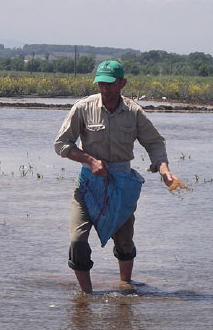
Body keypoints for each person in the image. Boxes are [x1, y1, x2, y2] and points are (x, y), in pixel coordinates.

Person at [54, 60, 177, 293]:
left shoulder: (134, 112)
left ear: (122, 83)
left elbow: (154, 143)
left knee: (124, 240)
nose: (105, 89)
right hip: (88, 184)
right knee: (78, 241)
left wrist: (164, 170)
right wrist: (90, 161)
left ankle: (125, 285)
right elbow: (61, 144)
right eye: (101, 83)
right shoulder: (83, 108)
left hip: (121, 184)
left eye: (110, 84)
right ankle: (86, 296)